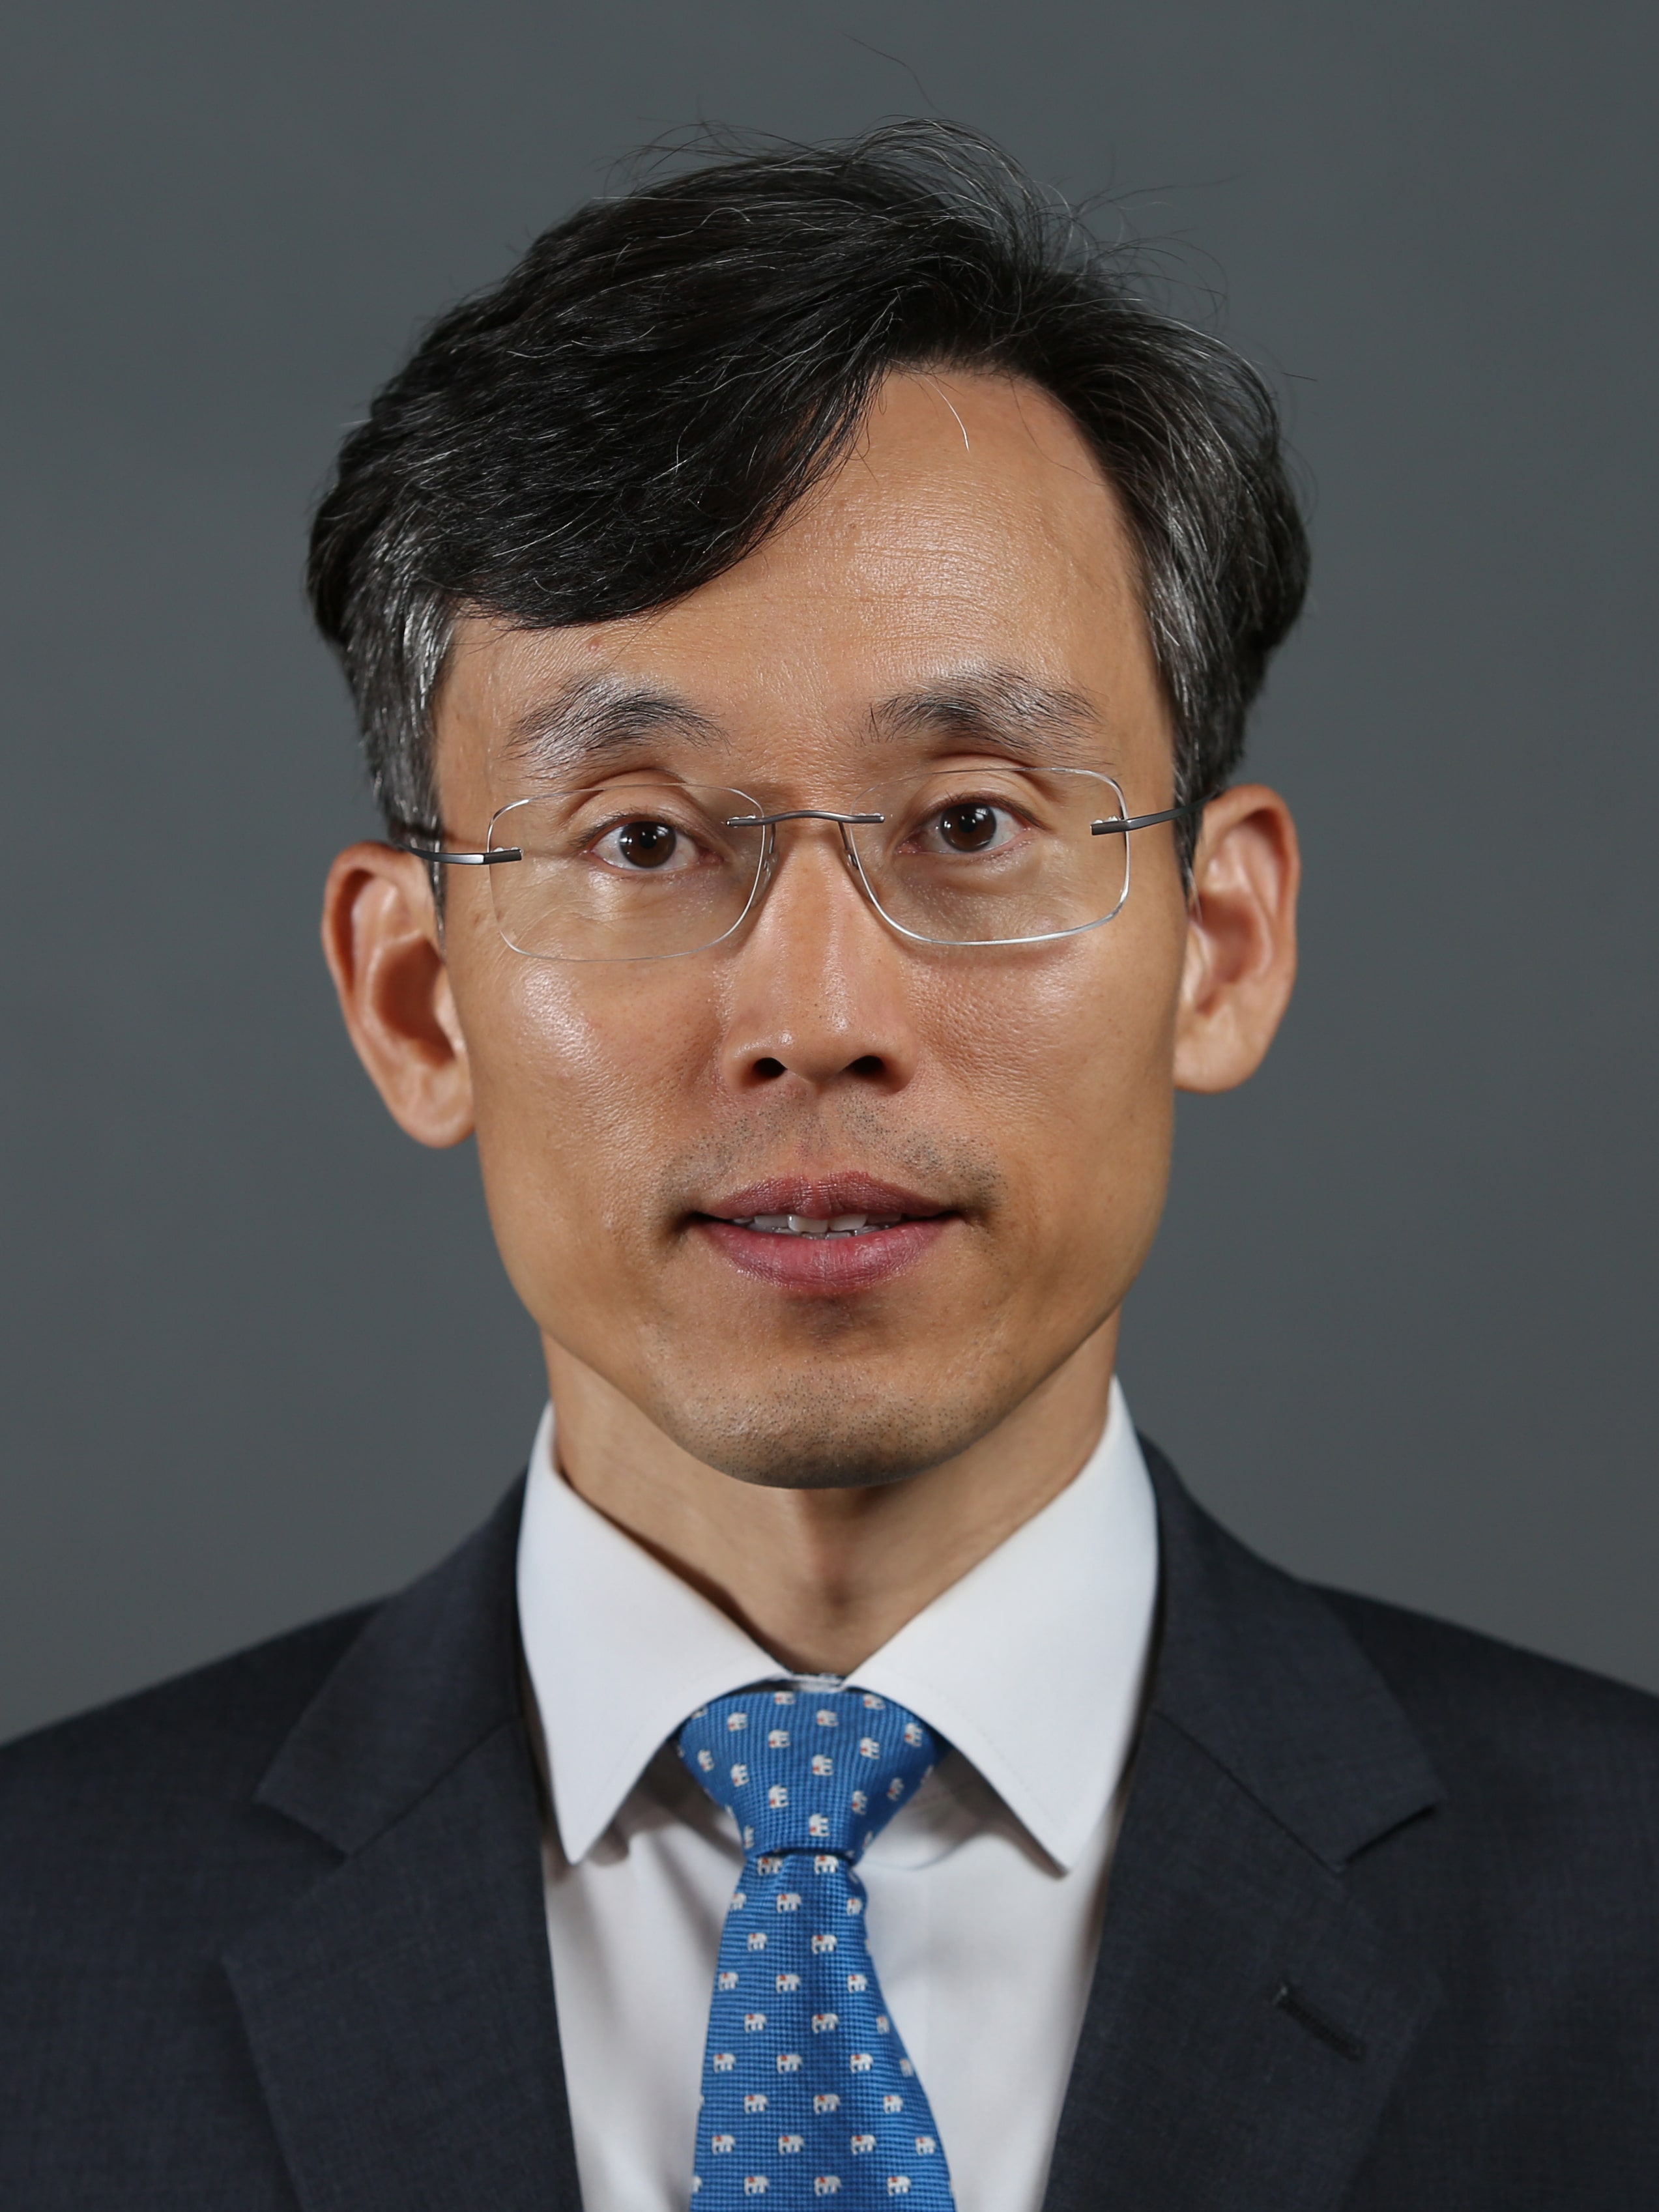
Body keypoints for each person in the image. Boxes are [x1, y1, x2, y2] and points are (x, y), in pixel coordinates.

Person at [2, 122, 1655, 2212]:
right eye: (640, 836)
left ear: (1217, 948)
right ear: (416, 998)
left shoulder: (1625, 1932)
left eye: (969, 821)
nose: (814, 1009)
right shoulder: (31, 1954)